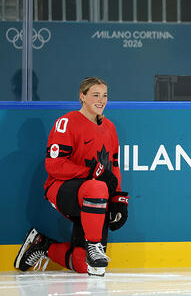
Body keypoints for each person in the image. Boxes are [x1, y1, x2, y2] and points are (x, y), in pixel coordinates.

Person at [14, 77, 129, 277]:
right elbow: (54, 165)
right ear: (82, 96)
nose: (101, 100)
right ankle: (94, 246)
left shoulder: (110, 127)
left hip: (93, 199)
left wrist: (118, 199)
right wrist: (92, 173)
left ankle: (43, 245)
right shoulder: (66, 123)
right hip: (62, 189)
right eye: (95, 95)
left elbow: (114, 166)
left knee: (90, 266)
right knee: (98, 186)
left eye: (104, 95)